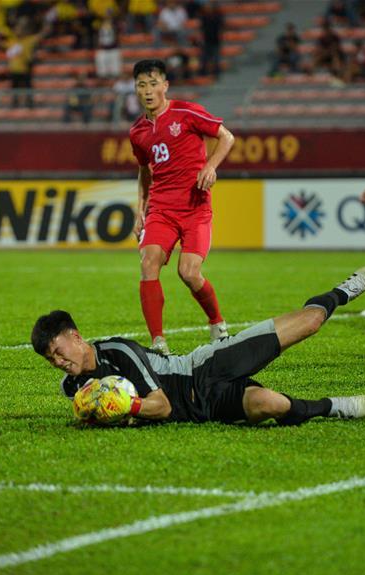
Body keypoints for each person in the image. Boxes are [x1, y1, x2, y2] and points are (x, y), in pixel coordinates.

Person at [31, 266, 365, 426]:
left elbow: (162, 406)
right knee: (271, 404)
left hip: (205, 369)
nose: (58, 361)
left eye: (59, 351)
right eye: (51, 359)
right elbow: (90, 411)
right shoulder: (73, 387)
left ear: (76, 337)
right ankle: (334, 407)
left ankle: (344, 291)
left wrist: (127, 406)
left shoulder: (117, 352)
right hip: (206, 408)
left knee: (310, 323)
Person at [128, 59, 235, 355]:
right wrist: (141, 208)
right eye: (141, 85)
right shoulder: (137, 132)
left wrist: (211, 166)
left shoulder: (186, 112)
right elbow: (144, 171)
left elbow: (227, 137)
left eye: (153, 84)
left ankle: (217, 323)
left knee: (188, 273)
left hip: (195, 208)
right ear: (135, 89)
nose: (148, 91)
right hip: (161, 209)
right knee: (148, 263)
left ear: (165, 85)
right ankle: (158, 343)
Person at [198, 1, 224, 77]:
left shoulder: (217, 16)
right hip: (206, 41)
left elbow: (221, 28)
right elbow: (201, 29)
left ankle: (216, 73)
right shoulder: (204, 17)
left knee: (216, 58)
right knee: (204, 58)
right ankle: (203, 73)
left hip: (215, 41)